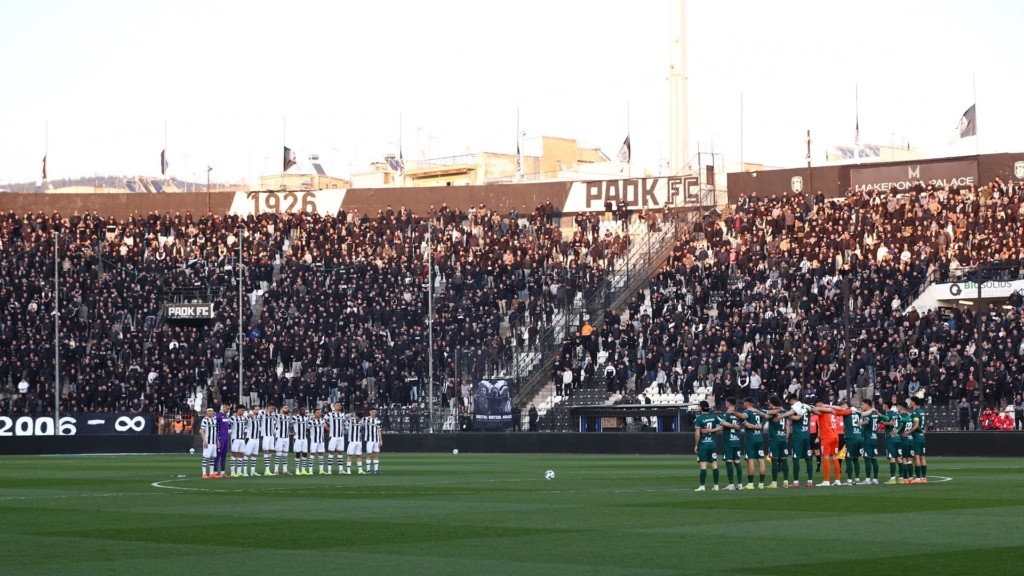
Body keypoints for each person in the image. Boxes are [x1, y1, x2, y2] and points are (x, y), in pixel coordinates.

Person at [777, 393, 814, 487]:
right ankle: (810, 481)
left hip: (798, 436)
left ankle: (796, 482)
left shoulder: (796, 408)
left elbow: (796, 417)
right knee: (808, 458)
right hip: (806, 434)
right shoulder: (806, 407)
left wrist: (784, 415)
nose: (790, 405)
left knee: (795, 458)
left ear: (792, 401)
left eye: (790, 403)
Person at [735, 396, 767, 489]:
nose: (743, 405)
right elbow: (765, 418)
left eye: (744, 403)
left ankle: (750, 484)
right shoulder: (759, 412)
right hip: (759, 438)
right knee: (761, 460)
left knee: (750, 460)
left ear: (746, 403)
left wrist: (736, 414)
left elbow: (744, 417)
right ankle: (761, 483)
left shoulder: (747, 412)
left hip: (751, 439)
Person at [815, 399, 848, 487]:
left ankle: (826, 481)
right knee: (835, 457)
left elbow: (814, 410)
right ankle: (837, 480)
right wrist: (829, 407)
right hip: (835, 436)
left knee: (825, 457)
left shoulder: (821, 411)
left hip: (826, 437)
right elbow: (841, 408)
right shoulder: (832, 411)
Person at [693, 400, 722, 492]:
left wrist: (696, 445)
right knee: (714, 465)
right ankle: (716, 486)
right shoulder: (714, 416)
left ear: (701, 408)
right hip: (712, 444)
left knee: (703, 466)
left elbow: (697, 433)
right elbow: (723, 426)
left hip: (703, 445)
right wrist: (712, 430)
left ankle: (702, 486)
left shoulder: (699, 418)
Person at [764, 395, 790, 488]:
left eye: (769, 403)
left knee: (774, 460)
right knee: (784, 459)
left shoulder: (773, 413)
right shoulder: (784, 412)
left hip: (774, 438)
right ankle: (786, 482)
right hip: (783, 437)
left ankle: (774, 483)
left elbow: (765, 416)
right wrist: (786, 436)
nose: (768, 404)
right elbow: (787, 425)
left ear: (772, 403)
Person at [838, 399, 864, 485]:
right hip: (859, 436)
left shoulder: (846, 413)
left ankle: (849, 480)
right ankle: (857, 479)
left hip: (851, 438)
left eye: (843, 405)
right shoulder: (857, 413)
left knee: (848, 458)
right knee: (856, 459)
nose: (842, 407)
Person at [720, 397, 744, 490]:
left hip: (728, 440)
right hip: (736, 440)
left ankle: (731, 485)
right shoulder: (738, 414)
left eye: (726, 402)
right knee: (737, 462)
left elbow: (722, 424)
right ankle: (740, 484)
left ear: (728, 403)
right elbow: (743, 422)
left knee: (729, 461)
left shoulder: (727, 414)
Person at [879, 399, 903, 484]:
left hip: (890, 438)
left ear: (886, 405)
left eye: (883, 404)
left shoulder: (887, 414)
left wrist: (884, 422)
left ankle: (892, 478)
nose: (882, 406)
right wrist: (898, 430)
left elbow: (887, 422)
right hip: (897, 437)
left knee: (891, 457)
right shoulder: (896, 414)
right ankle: (901, 478)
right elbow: (901, 423)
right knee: (899, 458)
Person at [905, 397, 927, 483]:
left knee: (916, 456)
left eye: (910, 402)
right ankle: (924, 477)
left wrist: (909, 432)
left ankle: (918, 477)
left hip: (916, 437)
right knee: (922, 457)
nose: (909, 403)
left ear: (913, 402)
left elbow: (916, 425)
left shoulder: (915, 413)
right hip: (921, 437)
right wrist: (922, 430)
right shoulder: (921, 411)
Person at [860, 399, 880, 485]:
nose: (861, 406)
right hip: (874, 437)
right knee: (874, 459)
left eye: (862, 404)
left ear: (867, 405)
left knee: (867, 458)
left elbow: (867, 421)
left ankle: (867, 479)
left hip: (867, 438)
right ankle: (875, 479)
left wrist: (858, 423)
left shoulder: (868, 413)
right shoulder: (875, 413)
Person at [326, 402, 347, 474]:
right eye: (338, 405)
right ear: (334, 406)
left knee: (340, 452)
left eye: (340, 405)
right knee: (331, 452)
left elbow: (344, 423)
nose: (339, 406)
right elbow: (323, 421)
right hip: (333, 436)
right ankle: (329, 470)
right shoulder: (329, 414)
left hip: (341, 436)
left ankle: (341, 470)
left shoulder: (342, 414)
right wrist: (327, 428)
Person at [199, 408, 219, 479]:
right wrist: (204, 441)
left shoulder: (214, 420)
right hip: (208, 442)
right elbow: (202, 431)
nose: (210, 412)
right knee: (205, 457)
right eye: (208, 411)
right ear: (206, 413)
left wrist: (217, 441)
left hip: (213, 442)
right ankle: (204, 473)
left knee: (212, 457)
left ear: (213, 412)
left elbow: (215, 431)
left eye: (211, 411)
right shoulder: (205, 420)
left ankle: (211, 473)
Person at [291, 407, 311, 476]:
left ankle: (303, 469)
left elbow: (308, 426)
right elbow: (290, 424)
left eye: (304, 410)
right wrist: (292, 431)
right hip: (297, 438)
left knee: (305, 453)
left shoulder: (306, 418)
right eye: (302, 410)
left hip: (304, 438)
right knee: (298, 453)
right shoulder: (295, 417)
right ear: (299, 411)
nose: (303, 411)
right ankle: (297, 470)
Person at [273, 405, 292, 475]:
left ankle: (285, 470)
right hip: (279, 438)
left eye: (287, 408)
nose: (286, 409)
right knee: (278, 454)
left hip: (287, 437)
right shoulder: (277, 416)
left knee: (285, 455)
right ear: (281, 409)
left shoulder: (289, 417)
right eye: (285, 408)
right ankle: (276, 470)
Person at [229, 406, 248, 477]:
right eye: (242, 410)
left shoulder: (244, 418)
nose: (243, 412)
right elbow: (228, 424)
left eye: (244, 411)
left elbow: (249, 418)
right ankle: (233, 472)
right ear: (238, 410)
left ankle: (239, 471)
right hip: (235, 439)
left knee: (241, 455)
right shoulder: (233, 418)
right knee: (234, 454)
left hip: (242, 439)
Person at [364, 406, 383, 474]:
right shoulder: (366, 419)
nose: (374, 413)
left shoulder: (378, 420)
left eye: (375, 412)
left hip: (376, 440)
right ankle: (368, 470)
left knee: (376, 454)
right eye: (372, 412)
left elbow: (379, 430)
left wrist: (380, 440)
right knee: (369, 454)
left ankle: (376, 470)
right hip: (369, 440)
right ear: (370, 412)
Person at [258, 403, 276, 475]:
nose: (273, 409)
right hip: (265, 435)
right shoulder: (262, 413)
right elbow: (256, 413)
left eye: (273, 408)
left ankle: (268, 469)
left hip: (271, 435)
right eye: (271, 408)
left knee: (270, 451)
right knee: (266, 451)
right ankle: (266, 470)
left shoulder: (273, 414)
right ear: (268, 407)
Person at [243, 406, 261, 476]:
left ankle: (253, 471)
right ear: (252, 410)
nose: (257, 411)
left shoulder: (258, 416)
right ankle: (244, 471)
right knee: (246, 454)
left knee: (254, 455)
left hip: (256, 438)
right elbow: (244, 421)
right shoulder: (248, 415)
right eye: (256, 409)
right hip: (250, 438)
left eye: (258, 409)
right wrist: (248, 416)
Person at [308, 408, 326, 475]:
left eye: (319, 412)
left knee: (321, 454)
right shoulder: (311, 421)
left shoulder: (322, 420)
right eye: (317, 412)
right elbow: (307, 427)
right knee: (312, 454)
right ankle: (310, 470)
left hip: (321, 440)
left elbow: (326, 427)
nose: (319, 413)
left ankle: (321, 470)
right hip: (314, 440)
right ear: (314, 414)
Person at [215, 404, 231, 478]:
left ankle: (222, 472)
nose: (228, 410)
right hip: (220, 438)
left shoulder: (226, 416)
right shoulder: (218, 416)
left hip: (226, 438)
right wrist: (216, 438)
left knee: (224, 455)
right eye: (227, 409)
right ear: (223, 408)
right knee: (217, 455)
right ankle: (215, 472)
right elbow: (214, 426)